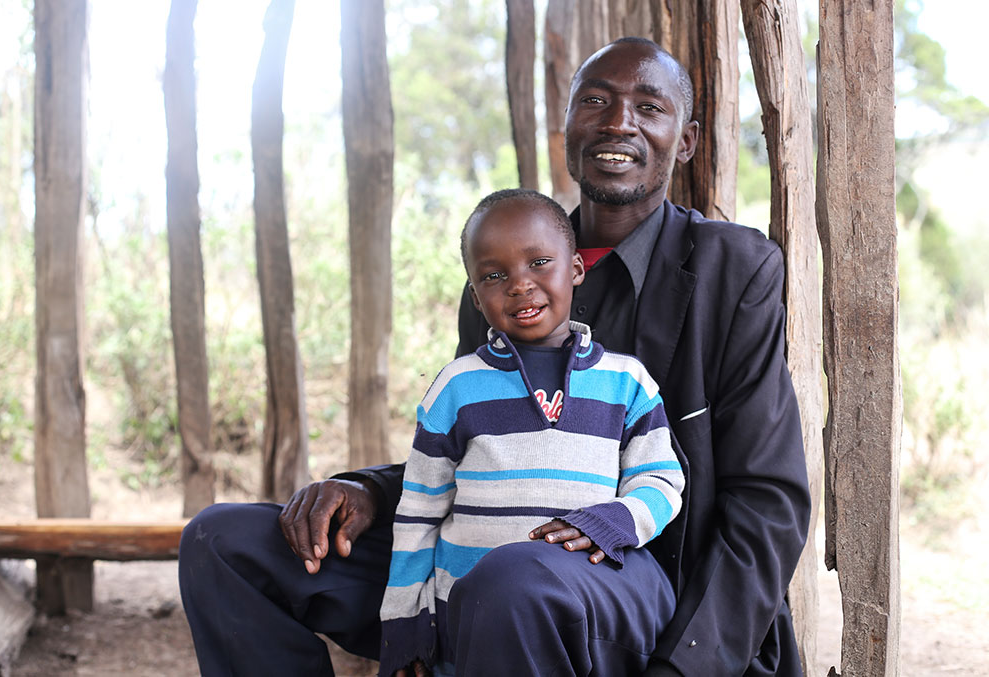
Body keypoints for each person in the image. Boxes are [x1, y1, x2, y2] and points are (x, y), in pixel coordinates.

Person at [179, 37, 811, 676]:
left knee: (514, 580)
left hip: (645, 589)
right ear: (567, 127)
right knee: (225, 542)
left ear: (688, 140)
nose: (618, 121)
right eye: (595, 101)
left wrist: (687, 667)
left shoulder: (732, 271)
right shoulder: (497, 279)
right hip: (472, 560)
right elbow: (480, 449)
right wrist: (367, 490)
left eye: (649, 107)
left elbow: (768, 500)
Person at [379, 188, 685, 677]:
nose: (520, 285)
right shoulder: (456, 387)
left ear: (577, 270)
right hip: (468, 621)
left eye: (539, 262)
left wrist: (613, 523)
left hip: (580, 603)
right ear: (476, 297)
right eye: (494, 275)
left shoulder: (627, 382)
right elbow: (418, 514)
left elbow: (662, 482)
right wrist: (406, 622)